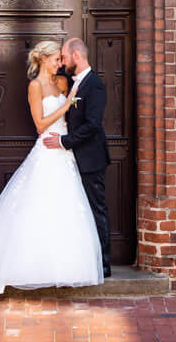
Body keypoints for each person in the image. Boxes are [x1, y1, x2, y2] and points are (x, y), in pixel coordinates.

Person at [0, 40, 103, 304]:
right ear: (44, 59)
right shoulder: (35, 86)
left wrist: (70, 130)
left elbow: (77, 116)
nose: (60, 64)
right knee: (36, 206)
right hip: (47, 147)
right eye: (56, 60)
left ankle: (65, 268)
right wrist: (65, 107)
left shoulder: (63, 83)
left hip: (65, 150)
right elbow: (40, 124)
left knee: (66, 207)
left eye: (61, 60)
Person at [43, 38, 111, 277]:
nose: (62, 63)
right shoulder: (73, 83)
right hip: (72, 160)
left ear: (76, 56)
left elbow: (92, 125)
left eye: (64, 57)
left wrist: (63, 141)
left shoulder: (94, 85)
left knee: (96, 209)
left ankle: (103, 264)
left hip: (91, 158)